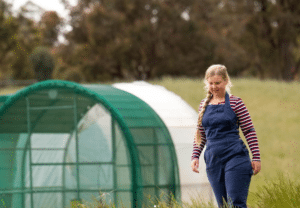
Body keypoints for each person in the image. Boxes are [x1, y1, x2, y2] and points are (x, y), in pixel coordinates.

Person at [191, 64, 261, 208]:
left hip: (235, 157)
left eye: (218, 83)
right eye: (211, 83)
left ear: (226, 81)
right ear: (207, 83)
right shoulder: (203, 105)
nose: (214, 86)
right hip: (213, 160)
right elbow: (201, 135)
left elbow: (249, 131)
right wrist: (195, 156)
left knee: (236, 203)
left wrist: (256, 157)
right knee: (222, 205)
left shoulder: (236, 103)